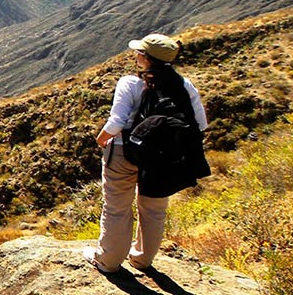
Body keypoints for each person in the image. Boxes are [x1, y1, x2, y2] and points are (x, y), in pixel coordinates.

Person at [84, 33, 208, 273]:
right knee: (154, 208)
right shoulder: (184, 86)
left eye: (139, 52)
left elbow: (117, 121)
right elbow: (200, 124)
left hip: (124, 152)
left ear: (146, 58)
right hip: (162, 158)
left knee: (117, 207)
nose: (136, 55)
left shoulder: (129, 83)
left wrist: (101, 140)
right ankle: (141, 259)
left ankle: (108, 261)